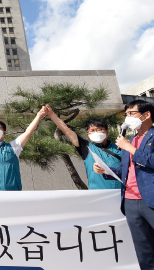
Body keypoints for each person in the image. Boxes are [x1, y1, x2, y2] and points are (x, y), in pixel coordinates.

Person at [93, 100, 154, 269]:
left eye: (131, 114)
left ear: (146, 114)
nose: (127, 118)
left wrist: (130, 148)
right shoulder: (130, 140)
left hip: (150, 198)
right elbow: (126, 171)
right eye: (125, 114)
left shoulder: (144, 139)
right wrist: (106, 170)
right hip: (130, 200)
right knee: (144, 250)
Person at [45, 104, 121, 189]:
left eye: (99, 129)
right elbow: (66, 130)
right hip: (98, 195)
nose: (96, 132)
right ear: (88, 135)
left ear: (107, 132)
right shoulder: (86, 147)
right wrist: (51, 114)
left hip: (122, 194)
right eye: (92, 130)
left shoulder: (120, 147)